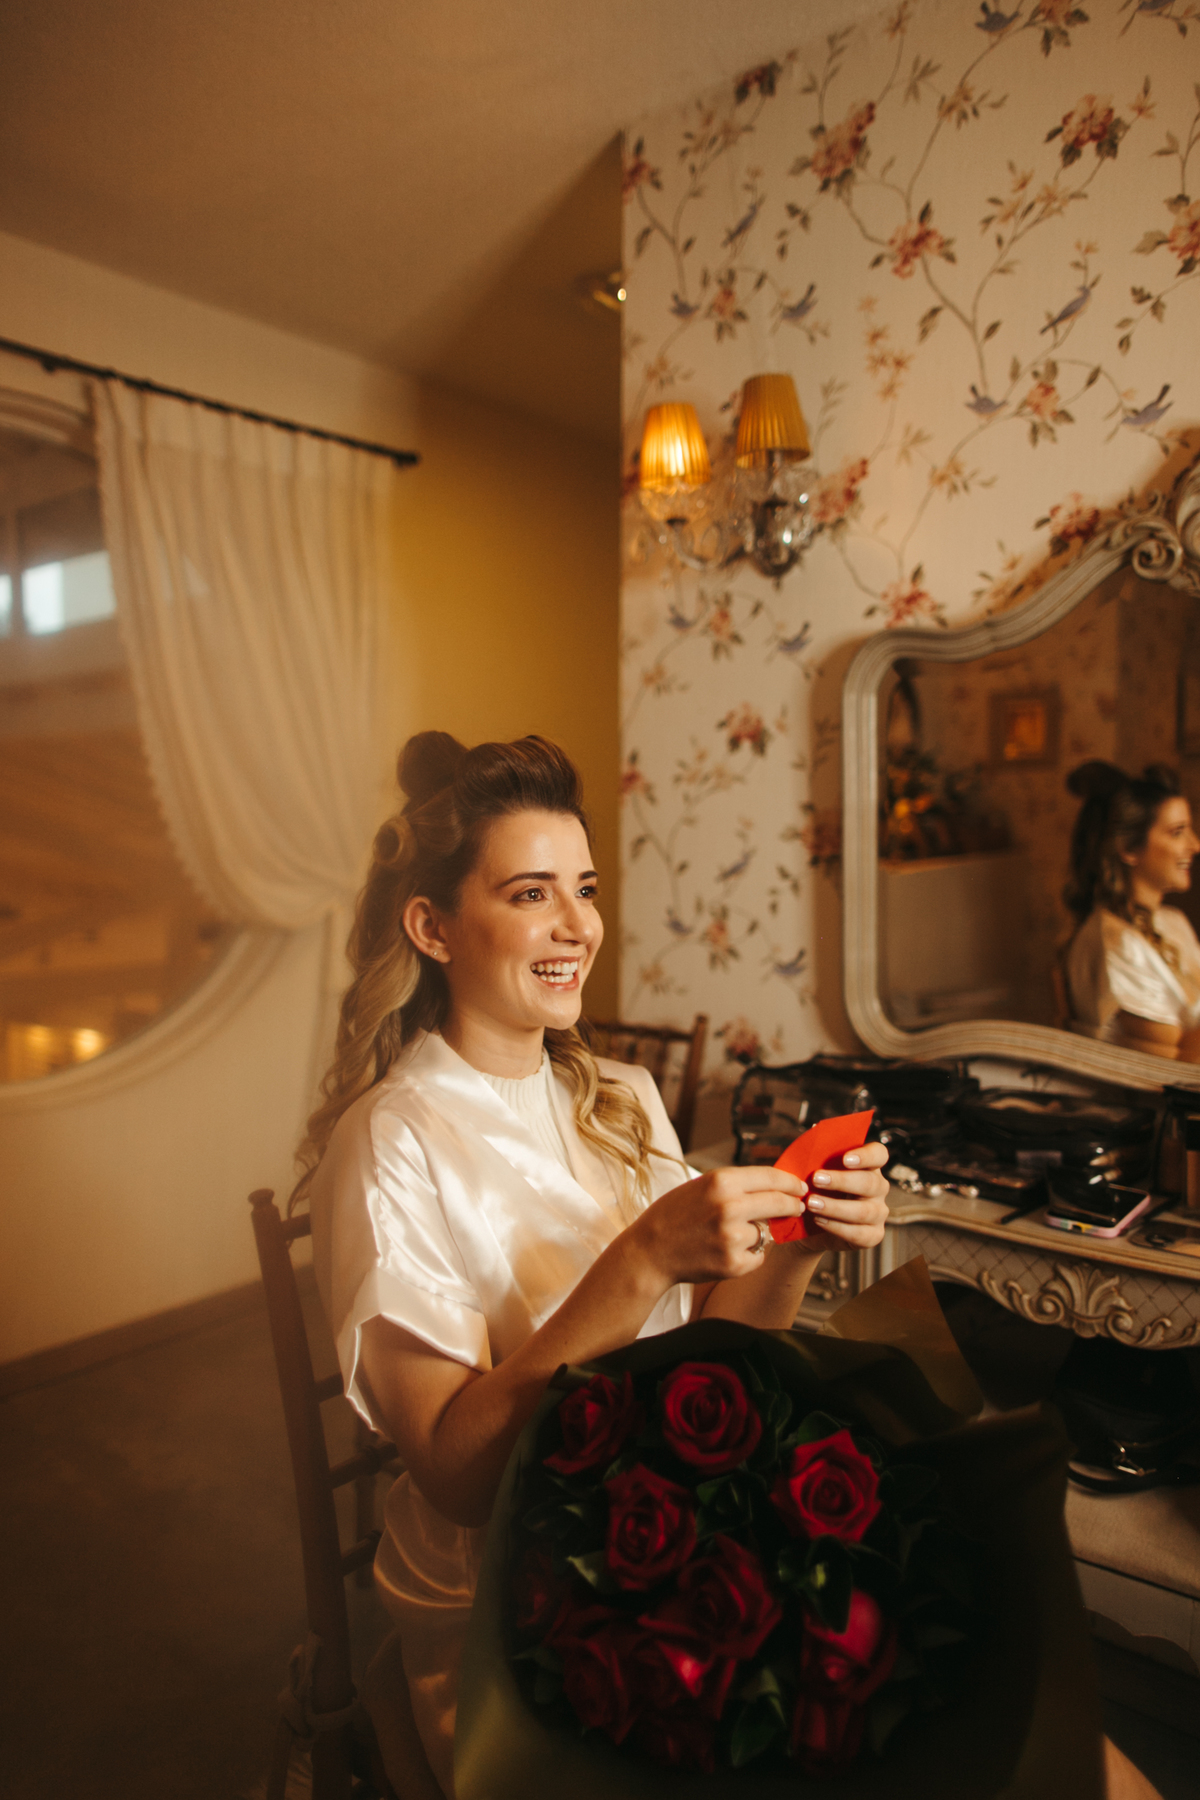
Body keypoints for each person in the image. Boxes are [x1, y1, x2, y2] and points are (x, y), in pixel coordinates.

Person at [298, 732, 890, 1798]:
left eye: (584, 888)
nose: (579, 926)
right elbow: (457, 1476)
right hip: (516, 1598)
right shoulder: (392, 1141)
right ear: (432, 927)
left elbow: (714, 1365)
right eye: (532, 894)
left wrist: (800, 1244)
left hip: (673, 1520)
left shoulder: (622, 1095)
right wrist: (642, 1260)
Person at [1062, 761, 1200, 1059]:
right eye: (1177, 832)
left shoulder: (1174, 922)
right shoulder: (1117, 942)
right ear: (1128, 848)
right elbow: (1172, 1064)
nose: (1195, 845)